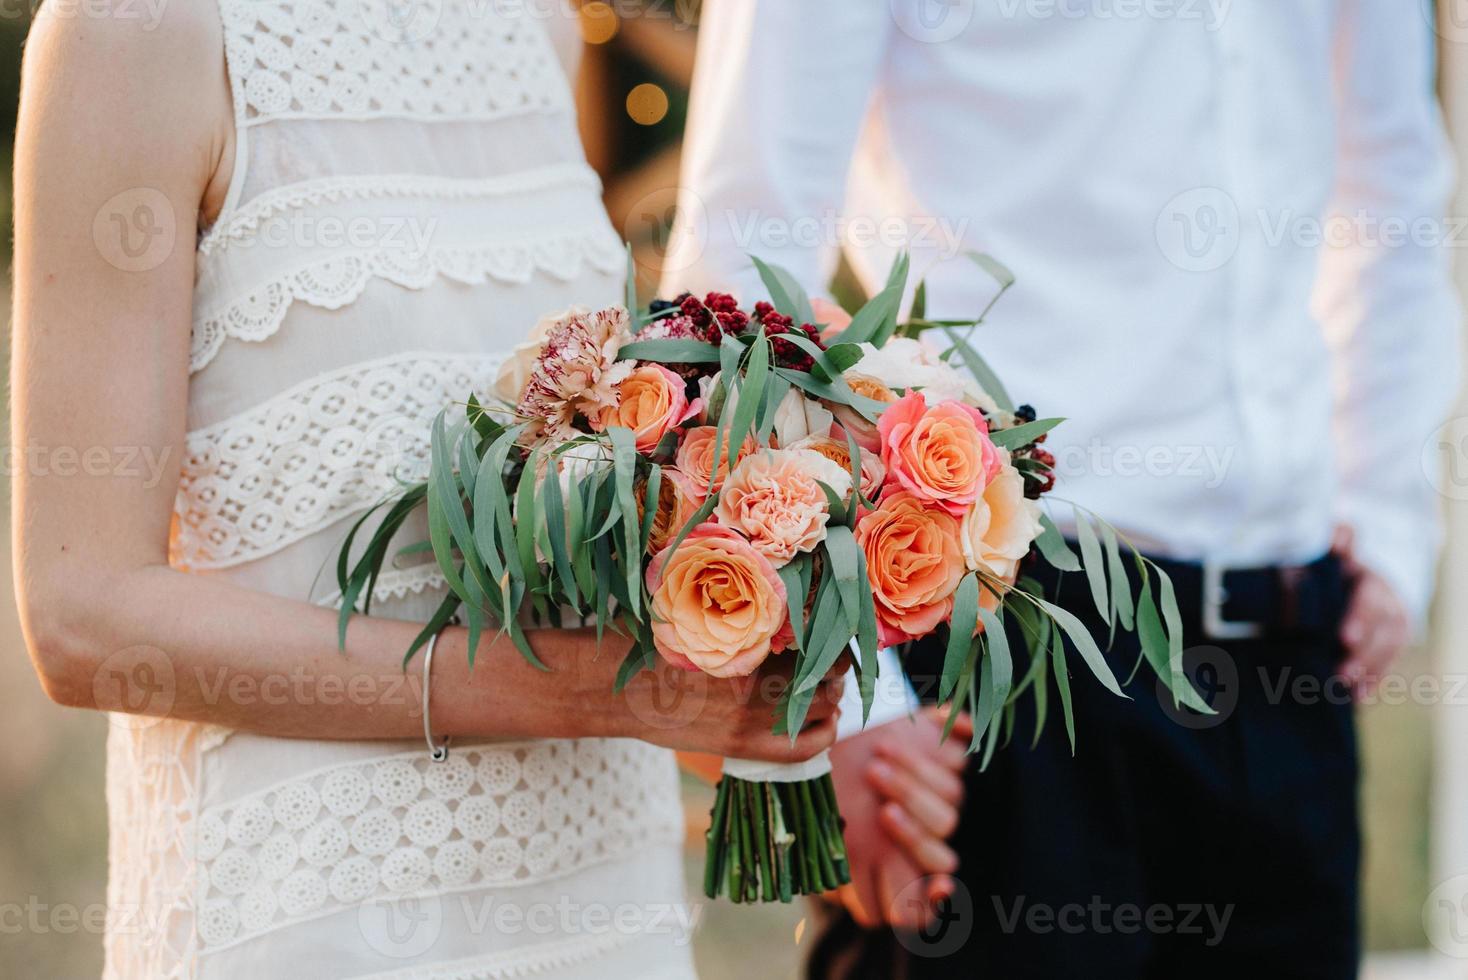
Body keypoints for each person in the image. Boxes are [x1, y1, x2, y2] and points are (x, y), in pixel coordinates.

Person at [10, 2, 964, 976]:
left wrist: (797, 715)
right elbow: (86, 616)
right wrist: (607, 695)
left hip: (600, 905)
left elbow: (543, 529)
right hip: (324, 922)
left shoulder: (535, 28)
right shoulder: (137, 36)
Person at [661, 1, 1460, 975]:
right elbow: (743, 252)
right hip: (998, 653)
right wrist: (852, 701)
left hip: (1285, 653)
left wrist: (1385, 518)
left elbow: (1391, 179)